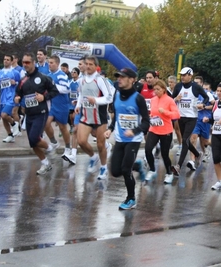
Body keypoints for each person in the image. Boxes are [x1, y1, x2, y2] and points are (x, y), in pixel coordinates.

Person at [104, 67, 150, 210]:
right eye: (118, 76)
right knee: (115, 171)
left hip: (134, 140)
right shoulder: (116, 95)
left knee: (125, 170)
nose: (119, 79)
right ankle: (137, 165)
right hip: (120, 138)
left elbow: (146, 122)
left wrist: (134, 131)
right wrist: (110, 129)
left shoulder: (138, 98)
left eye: (123, 77)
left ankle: (131, 199)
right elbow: (116, 116)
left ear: (132, 80)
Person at [14, 52, 59, 175]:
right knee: (32, 143)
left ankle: (50, 149)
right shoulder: (23, 80)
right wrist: (17, 98)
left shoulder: (43, 78)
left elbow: (55, 91)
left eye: (28, 62)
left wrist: (44, 97)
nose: (25, 65)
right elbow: (18, 93)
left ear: (33, 63)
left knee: (35, 138)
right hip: (29, 114)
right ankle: (45, 163)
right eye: (23, 62)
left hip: (41, 112)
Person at [75, 55, 114, 179]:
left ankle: (103, 168)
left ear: (96, 66)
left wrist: (95, 100)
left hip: (99, 117)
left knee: (101, 145)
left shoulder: (100, 80)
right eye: (86, 64)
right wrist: (78, 105)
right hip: (86, 116)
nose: (88, 66)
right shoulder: (81, 80)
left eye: (91, 64)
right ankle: (93, 157)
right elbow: (81, 94)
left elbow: (109, 97)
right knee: (80, 141)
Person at [170, 67, 210, 176]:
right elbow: (171, 100)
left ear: (190, 75)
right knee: (185, 141)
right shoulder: (178, 86)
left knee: (185, 140)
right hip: (181, 117)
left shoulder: (196, 87)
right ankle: (198, 154)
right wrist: (175, 99)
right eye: (181, 75)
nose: (182, 77)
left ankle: (178, 166)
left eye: (184, 75)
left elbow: (206, 98)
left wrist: (203, 104)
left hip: (192, 118)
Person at [144, 79, 180, 183]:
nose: (156, 91)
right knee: (147, 149)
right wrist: (151, 117)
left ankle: (169, 173)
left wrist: (165, 112)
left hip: (166, 131)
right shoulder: (153, 99)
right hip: (154, 129)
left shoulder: (169, 100)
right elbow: (153, 112)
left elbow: (176, 115)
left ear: (163, 89)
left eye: (158, 89)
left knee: (165, 154)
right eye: (154, 89)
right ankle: (152, 170)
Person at [45, 55, 71, 160]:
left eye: (52, 63)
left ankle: (68, 148)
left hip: (62, 105)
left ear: (57, 64)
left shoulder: (61, 75)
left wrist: (53, 87)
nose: (50, 65)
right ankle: (54, 142)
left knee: (63, 128)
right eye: (49, 63)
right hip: (51, 105)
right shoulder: (48, 75)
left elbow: (67, 89)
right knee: (45, 124)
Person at [0, 55, 21, 142]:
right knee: (3, 117)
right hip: (3, 97)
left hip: (11, 97)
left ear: (11, 61)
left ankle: (14, 124)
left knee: (4, 114)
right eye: (4, 59)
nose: (5, 61)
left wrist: (14, 82)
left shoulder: (15, 72)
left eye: (8, 60)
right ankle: (10, 135)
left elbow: (20, 84)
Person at [188, 77, 215, 168]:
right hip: (195, 120)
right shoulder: (191, 94)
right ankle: (192, 160)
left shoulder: (207, 94)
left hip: (205, 120)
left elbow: (214, 106)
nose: (196, 84)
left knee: (204, 142)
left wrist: (204, 107)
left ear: (202, 84)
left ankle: (209, 149)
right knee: (193, 139)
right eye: (194, 82)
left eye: (198, 83)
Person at [167, 75, 182, 155]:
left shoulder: (179, 90)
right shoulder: (166, 91)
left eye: (172, 82)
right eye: (169, 82)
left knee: (177, 129)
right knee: (168, 129)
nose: (170, 84)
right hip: (168, 112)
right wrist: (175, 99)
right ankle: (170, 142)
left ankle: (180, 145)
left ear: (175, 83)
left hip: (176, 112)